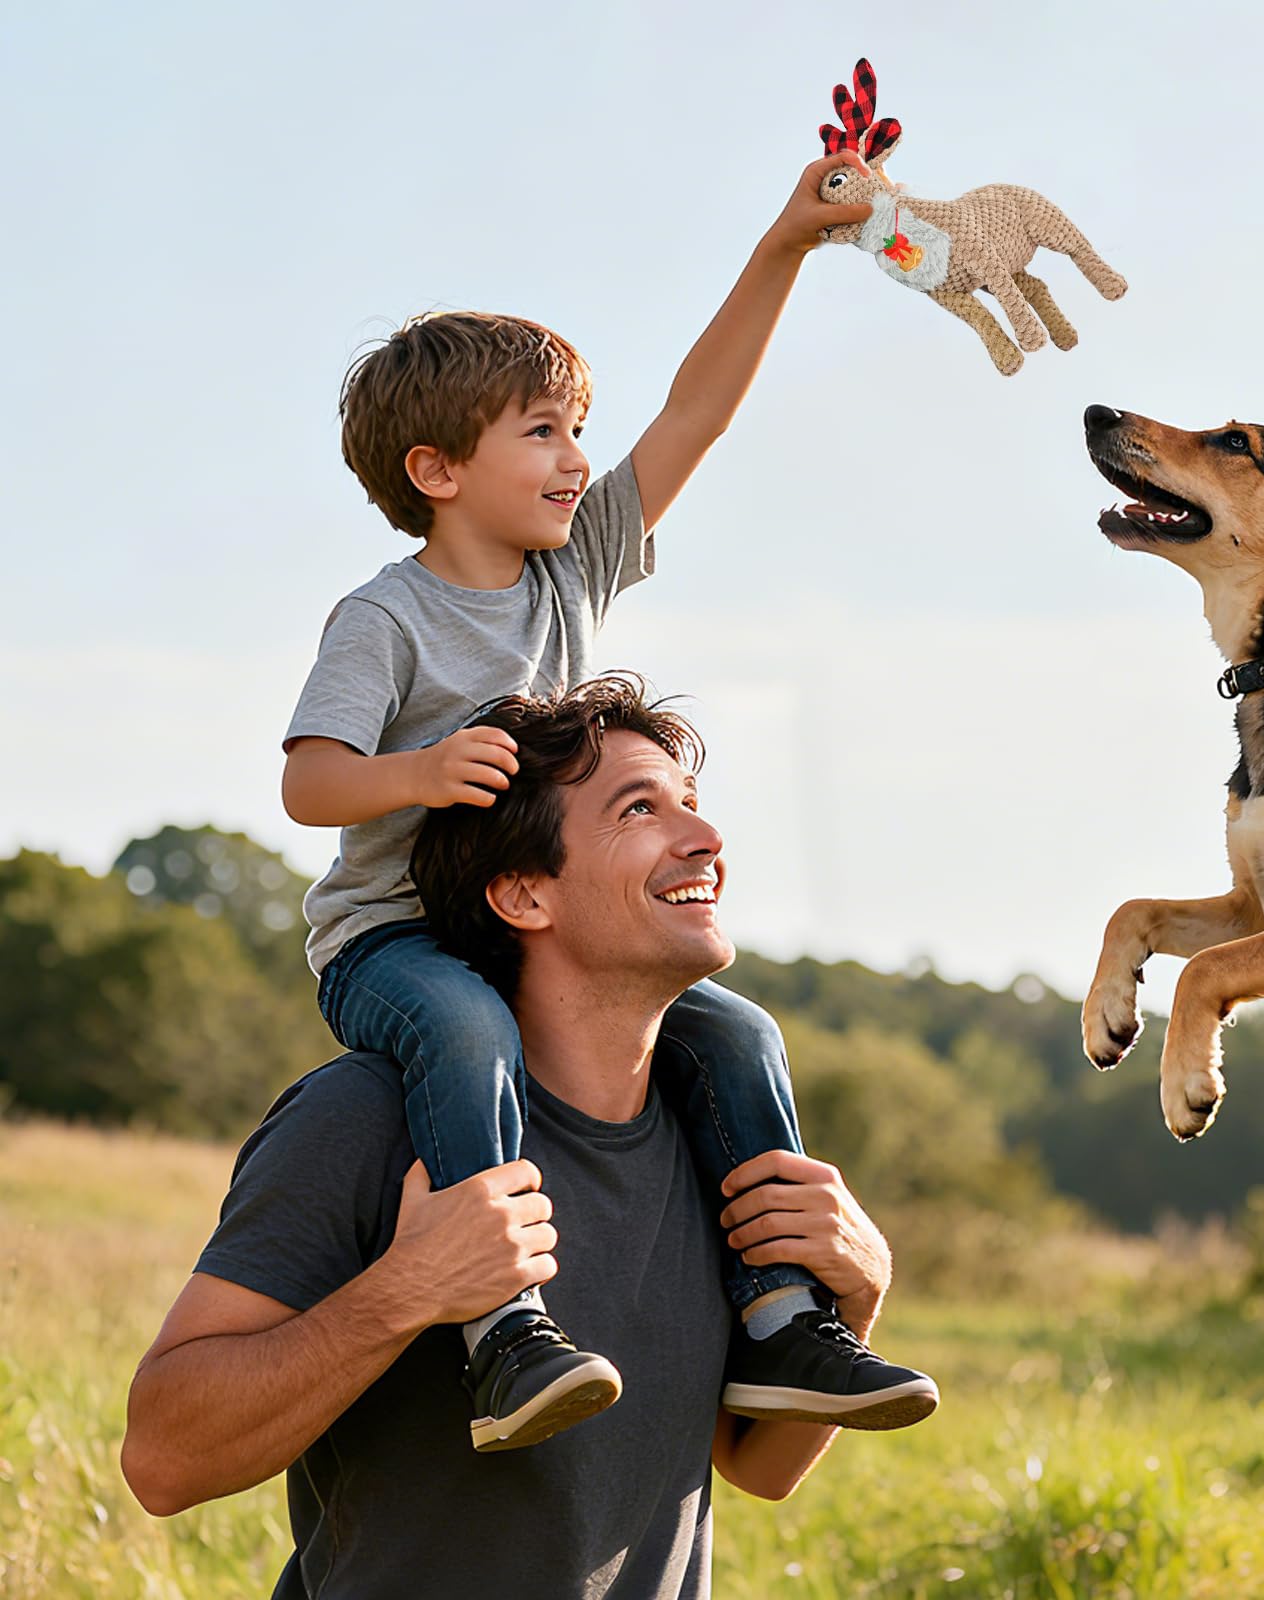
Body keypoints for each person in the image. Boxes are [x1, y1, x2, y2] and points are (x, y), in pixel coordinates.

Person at [274, 154, 929, 1452]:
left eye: (577, 429)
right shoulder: (385, 617)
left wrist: (788, 244)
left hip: (540, 928)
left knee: (738, 1035)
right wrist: (421, 773)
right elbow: (309, 782)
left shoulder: (574, 571)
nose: (578, 459)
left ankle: (781, 1317)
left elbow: (699, 413)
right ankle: (505, 1328)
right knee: (467, 1034)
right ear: (436, 468)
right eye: (541, 432)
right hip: (396, 943)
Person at [122, 678, 936, 1599]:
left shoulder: (720, 1142)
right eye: (639, 809)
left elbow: (761, 1466)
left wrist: (858, 1292)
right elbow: (162, 1461)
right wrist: (406, 1293)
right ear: (522, 894)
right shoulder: (365, 1119)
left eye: (692, 803)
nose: (706, 837)